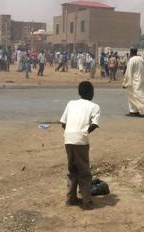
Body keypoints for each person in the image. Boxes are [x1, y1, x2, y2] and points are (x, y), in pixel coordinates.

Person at [60, 81, 100, 210]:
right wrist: (84, 132)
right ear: (91, 93)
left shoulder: (71, 103)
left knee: (72, 170)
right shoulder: (94, 106)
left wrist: (71, 132)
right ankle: (87, 201)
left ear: (79, 92)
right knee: (84, 172)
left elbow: (63, 123)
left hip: (68, 139)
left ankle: (70, 198)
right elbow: (94, 124)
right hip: (81, 140)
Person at [122, 48, 144, 116]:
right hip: (141, 80)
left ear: (131, 52)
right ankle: (136, 111)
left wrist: (125, 82)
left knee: (132, 96)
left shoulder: (131, 60)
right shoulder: (141, 59)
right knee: (139, 95)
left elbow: (128, 72)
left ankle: (139, 111)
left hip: (134, 81)